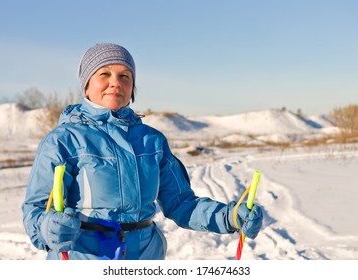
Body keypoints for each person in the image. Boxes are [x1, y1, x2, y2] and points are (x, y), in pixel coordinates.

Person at [22, 43, 263, 260]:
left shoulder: (152, 141)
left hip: (146, 256)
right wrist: (47, 228)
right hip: (83, 258)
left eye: (125, 76)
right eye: (104, 74)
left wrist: (229, 217)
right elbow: (36, 208)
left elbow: (181, 203)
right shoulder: (63, 140)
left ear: (132, 88)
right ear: (86, 86)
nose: (115, 82)